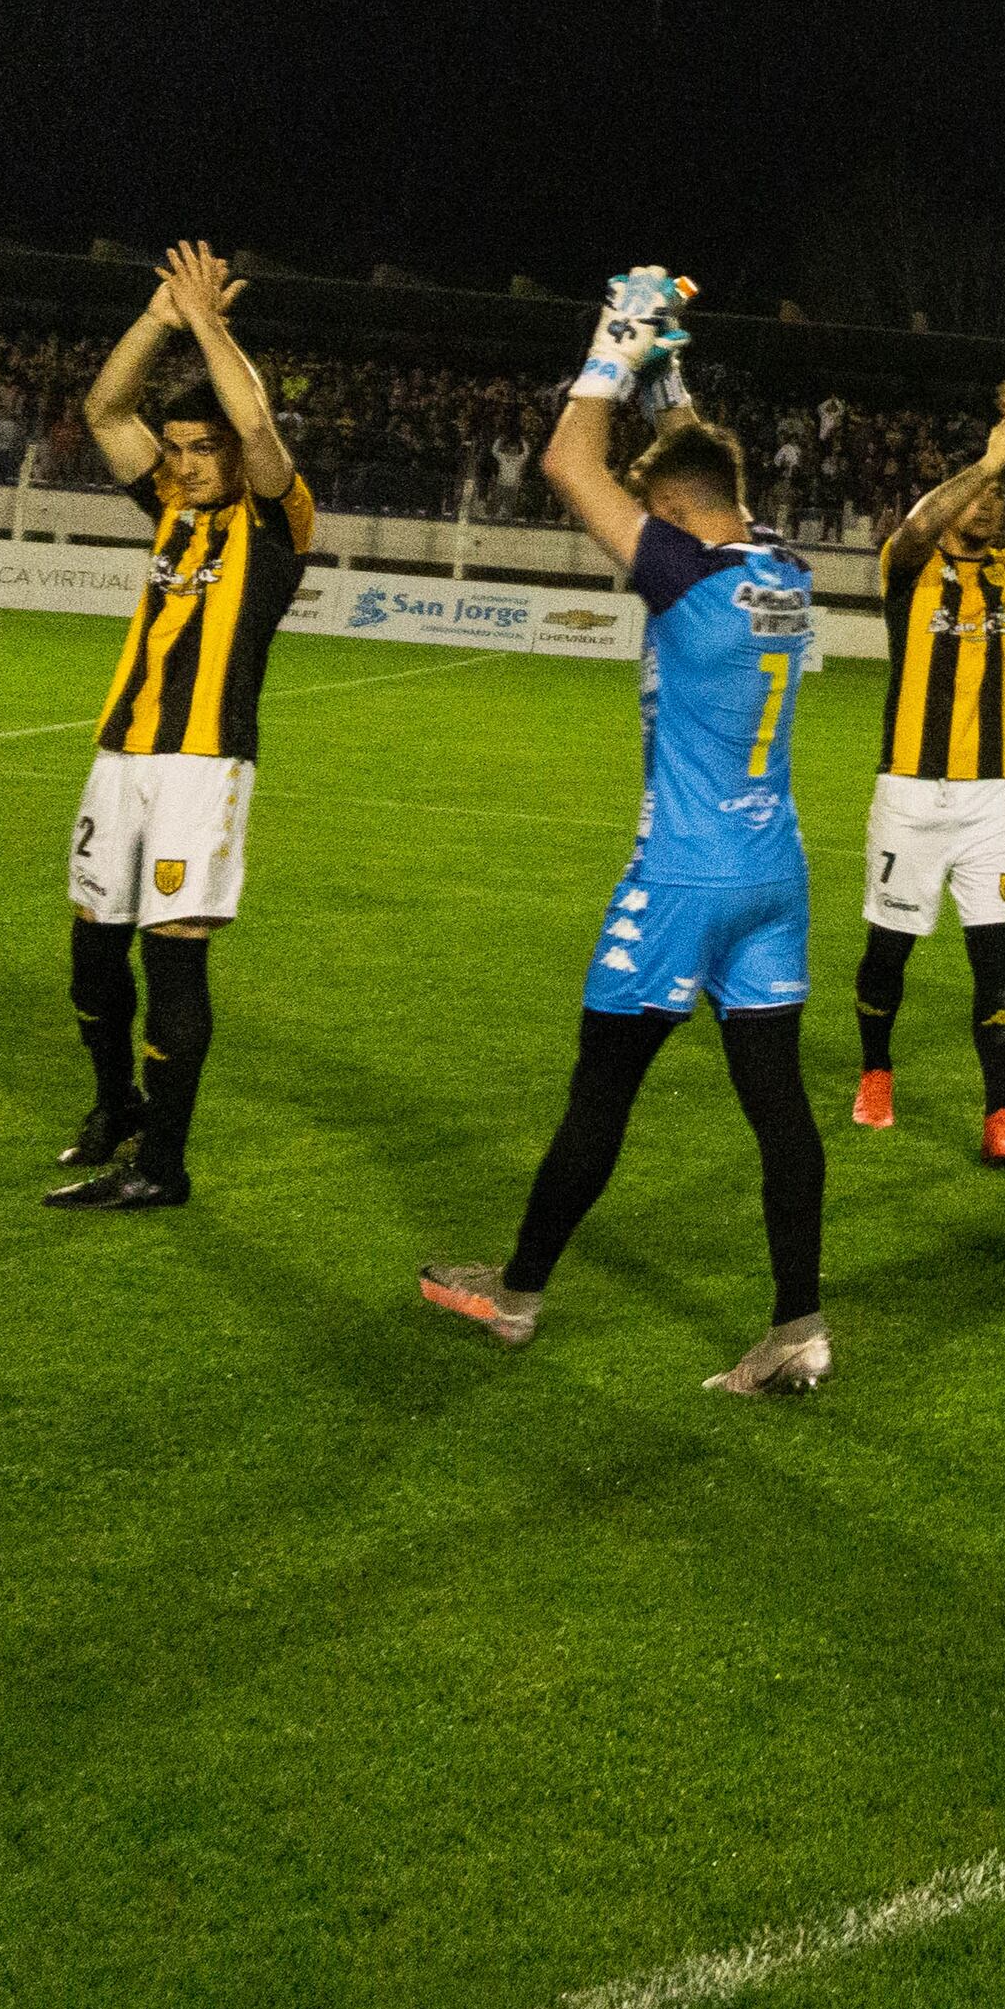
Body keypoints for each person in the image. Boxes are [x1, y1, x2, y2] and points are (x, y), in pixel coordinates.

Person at [420, 273, 832, 1395]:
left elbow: (567, 465)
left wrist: (612, 345)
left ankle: (514, 1297)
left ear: (675, 519)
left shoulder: (682, 575)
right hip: (773, 874)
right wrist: (668, 383)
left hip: (682, 878)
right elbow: (703, 473)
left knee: (599, 1094)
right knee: (777, 1104)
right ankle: (797, 1325)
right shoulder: (782, 567)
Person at [43, 246, 313, 1214]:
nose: (187, 461)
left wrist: (208, 321)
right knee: (90, 952)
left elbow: (256, 421)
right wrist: (159, 316)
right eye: (180, 448)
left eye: (202, 449)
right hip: (121, 758)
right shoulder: (167, 508)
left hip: (203, 767)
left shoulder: (277, 523)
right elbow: (104, 413)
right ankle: (114, 1105)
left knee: (173, 960)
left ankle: (164, 1164)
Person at [852, 381, 1005, 1165]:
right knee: (889, 947)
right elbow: (920, 522)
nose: (990, 507)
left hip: (996, 797)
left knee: (996, 956)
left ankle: (1000, 1113)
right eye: (980, 494)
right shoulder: (906, 566)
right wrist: (983, 463)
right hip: (911, 792)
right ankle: (877, 1071)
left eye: (999, 498)